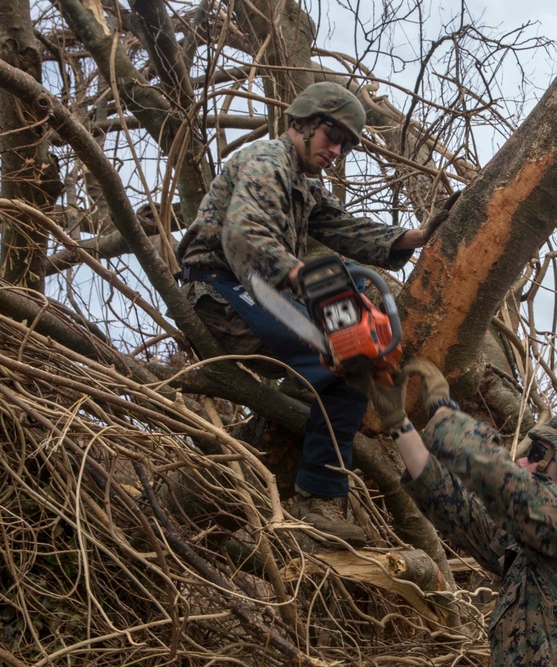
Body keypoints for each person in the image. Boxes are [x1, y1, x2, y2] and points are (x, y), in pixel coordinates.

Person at [176, 81, 455, 547]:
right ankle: (317, 499)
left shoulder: (304, 184)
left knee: (351, 361)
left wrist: (417, 237)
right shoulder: (268, 162)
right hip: (219, 291)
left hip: (255, 290)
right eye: (332, 134)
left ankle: (286, 459)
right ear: (300, 123)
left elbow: (345, 227)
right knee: (339, 364)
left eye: (347, 143)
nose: (338, 150)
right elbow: (246, 238)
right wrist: (304, 278)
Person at [368, 358, 557, 666]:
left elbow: (495, 476)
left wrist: (443, 410)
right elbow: (456, 509)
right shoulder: (535, 548)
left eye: (537, 454)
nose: (522, 461)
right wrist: (399, 423)